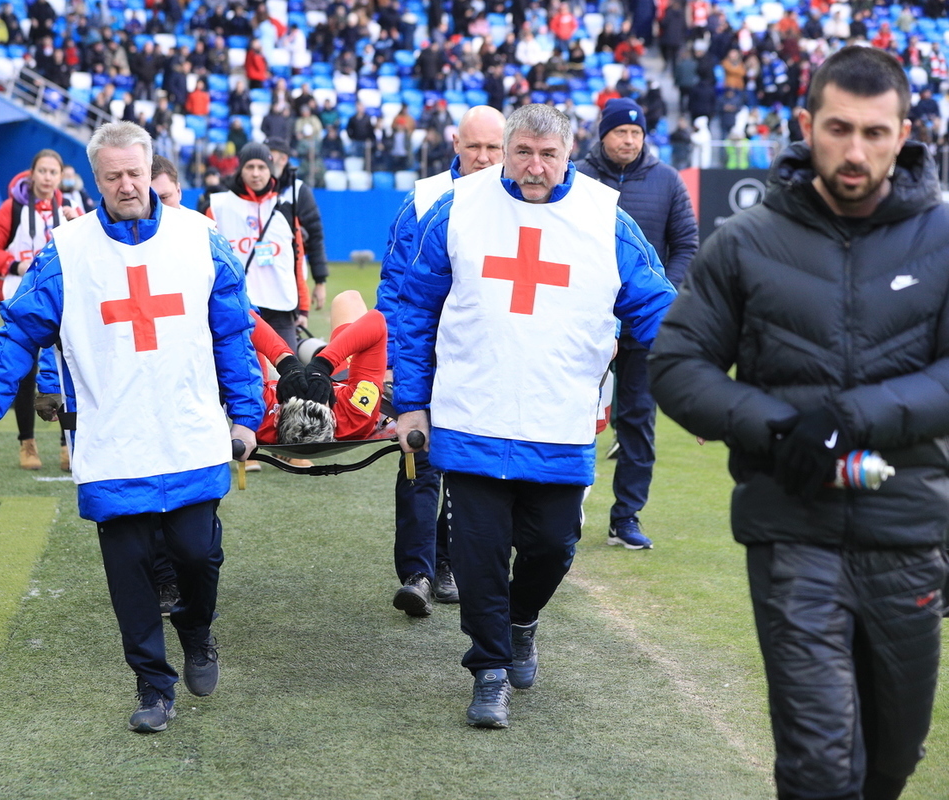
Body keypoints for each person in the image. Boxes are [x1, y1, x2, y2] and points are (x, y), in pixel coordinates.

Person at [648, 46, 949, 799]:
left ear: (905, 133)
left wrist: (850, 417)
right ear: (806, 123)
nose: (856, 151)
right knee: (819, 769)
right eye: (839, 128)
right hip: (792, 533)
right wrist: (780, 429)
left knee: (891, 761)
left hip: (909, 536)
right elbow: (676, 365)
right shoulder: (747, 240)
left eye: (875, 134)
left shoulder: (943, 240)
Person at [0, 121, 263, 734]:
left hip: (189, 430)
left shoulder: (199, 237)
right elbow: (19, 333)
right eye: (111, 176)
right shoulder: (67, 249)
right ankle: (153, 686)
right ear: (94, 178)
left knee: (198, 554)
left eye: (134, 173)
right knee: (129, 574)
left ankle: (198, 632)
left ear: (150, 171)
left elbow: (233, 332)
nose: (125, 186)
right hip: (112, 439)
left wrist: (246, 414)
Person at [391, 104, 675, 728]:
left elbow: (657, 308)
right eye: (523, 152)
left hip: (560, 419)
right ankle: (489, 669)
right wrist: (411, 401)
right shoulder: (460, 207)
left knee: (552, 546)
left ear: (568, 153)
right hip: (472, 413)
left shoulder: (605, 220)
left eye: (548, 154)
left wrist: (700, 373)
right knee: (479, 552)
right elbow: (413, 308)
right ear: (508, 149)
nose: (534, 166)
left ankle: (522, 621)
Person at [376, 105, 506, 618]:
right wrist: (389, 361)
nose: (483, 157)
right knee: (418, 457)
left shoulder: (515, 199)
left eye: (494, 148)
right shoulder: (426, 197)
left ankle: (450, 562)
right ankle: (418, 571)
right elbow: (394, 285)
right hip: (425, 355)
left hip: (480, 357)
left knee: (466, 464)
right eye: (474, 146)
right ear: (456, 142)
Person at [576, 97, 698, 550]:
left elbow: (687, 242)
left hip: (644, 326)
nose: (629, 140)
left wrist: (663, 289)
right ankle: (565, 504)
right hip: (587, 324)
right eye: (620, 132)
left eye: (636, 133)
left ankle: (626, 516)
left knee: (638, 421)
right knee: (576, 414)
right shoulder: (579, 178)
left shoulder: (667, 181)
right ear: (603, 134)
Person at [0, 149, 82, 471]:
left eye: (54, 172)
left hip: (61, 302)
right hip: (21, 301)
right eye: (43, 171)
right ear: (32, 174)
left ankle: (69, 443)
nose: (49, 177)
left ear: (61, 176)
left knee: (69, 371)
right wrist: (15, 264)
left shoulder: (70, 208)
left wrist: (78, 223)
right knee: (25, 373)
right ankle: (27, 443)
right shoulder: (12, 209)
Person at [206, 142, 307, 352]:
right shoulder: (218, 207)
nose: (255, 173)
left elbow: (297, 259)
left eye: (261, 167)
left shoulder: (285, 208)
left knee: (288, 378)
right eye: (249, 167)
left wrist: (303, 307)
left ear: (270, 171)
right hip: (240, 307)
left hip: (281, 308)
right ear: (240, 170)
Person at [252, 290, 387, 445]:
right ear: (334, 418)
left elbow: (242, 314)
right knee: (348, 298)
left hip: (269, 388)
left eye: (298, 396)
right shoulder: (355, 415)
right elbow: (376, 321)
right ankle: (315, 352)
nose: (306, 391)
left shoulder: (260, 415)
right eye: (316, 398)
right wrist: (323, 364)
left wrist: (285, 361)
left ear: (276, 418)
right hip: (344, 385)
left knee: (239, 336)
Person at [266, 137, 329, 317]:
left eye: (270, 155)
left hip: (290, 281)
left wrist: (320, 282)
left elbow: (315, 236)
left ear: (283, 159)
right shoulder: (249, 192)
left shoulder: (298, 191)